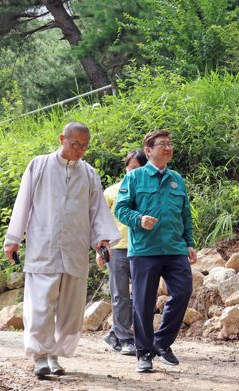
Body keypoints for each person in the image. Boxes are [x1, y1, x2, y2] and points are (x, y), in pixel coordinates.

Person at [3, 121, 121, 377]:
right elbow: (23, 202)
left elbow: (97, 211)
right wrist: (13, 238)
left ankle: (54, 354)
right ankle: (40, 357)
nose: (79, 149)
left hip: (75, 248)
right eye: (75, 143)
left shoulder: (89, 174)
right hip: (43, 247)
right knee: (41, 306)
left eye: (84, 146)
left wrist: (101, 240)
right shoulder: (39, 165)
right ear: (62, 139)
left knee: (69, 309)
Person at [114, 129, 196, 373]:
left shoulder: (177, 179)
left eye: (170, 144)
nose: (168, 148)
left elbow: (185, 214)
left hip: (174, 249)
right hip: (144, 250)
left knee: (182, 292)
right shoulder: (134, 178)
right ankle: (144, 352)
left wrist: (189, 242)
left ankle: (161, 342)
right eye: (163, 144)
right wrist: (139, 219)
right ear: (148, 151)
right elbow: (120, 209)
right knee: (143, 302)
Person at [101, 149, 148, 356]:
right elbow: (100, 222)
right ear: (126, 167)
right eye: (131, 167)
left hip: (143, 249)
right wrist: (100, 250)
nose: (133, 171)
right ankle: (125, 338)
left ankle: (116, 333)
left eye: (138, 168)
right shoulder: (112, 192)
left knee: (139, 295)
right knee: (120, 294)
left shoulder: (148, 191)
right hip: (117, 248)